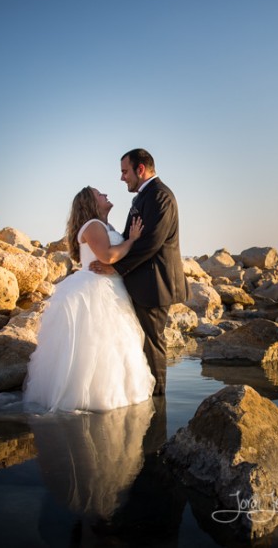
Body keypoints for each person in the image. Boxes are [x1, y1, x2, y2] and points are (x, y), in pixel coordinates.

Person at [24, 186, 155, 412]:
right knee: (96, 343)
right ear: (89, 202)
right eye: (98, 193)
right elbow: (107, 256)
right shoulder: (93, 225)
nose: (105, 194)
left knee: (115, 344)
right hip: (95, 290)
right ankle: (91, 398)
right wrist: (132, 239)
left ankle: (115, 395)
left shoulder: (105, 226)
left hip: (112, 288)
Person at [91, 149, 186, 396]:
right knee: (142, 340)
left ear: (140, 169)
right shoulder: (144, 197)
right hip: (143, 283)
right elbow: (130, 239)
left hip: (155, 284)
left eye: (125, 171)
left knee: (153, 343)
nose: (122, 178)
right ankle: (145, 392)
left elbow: (152, 241)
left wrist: (115, 267)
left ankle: (158, 399)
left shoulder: (160, 196)